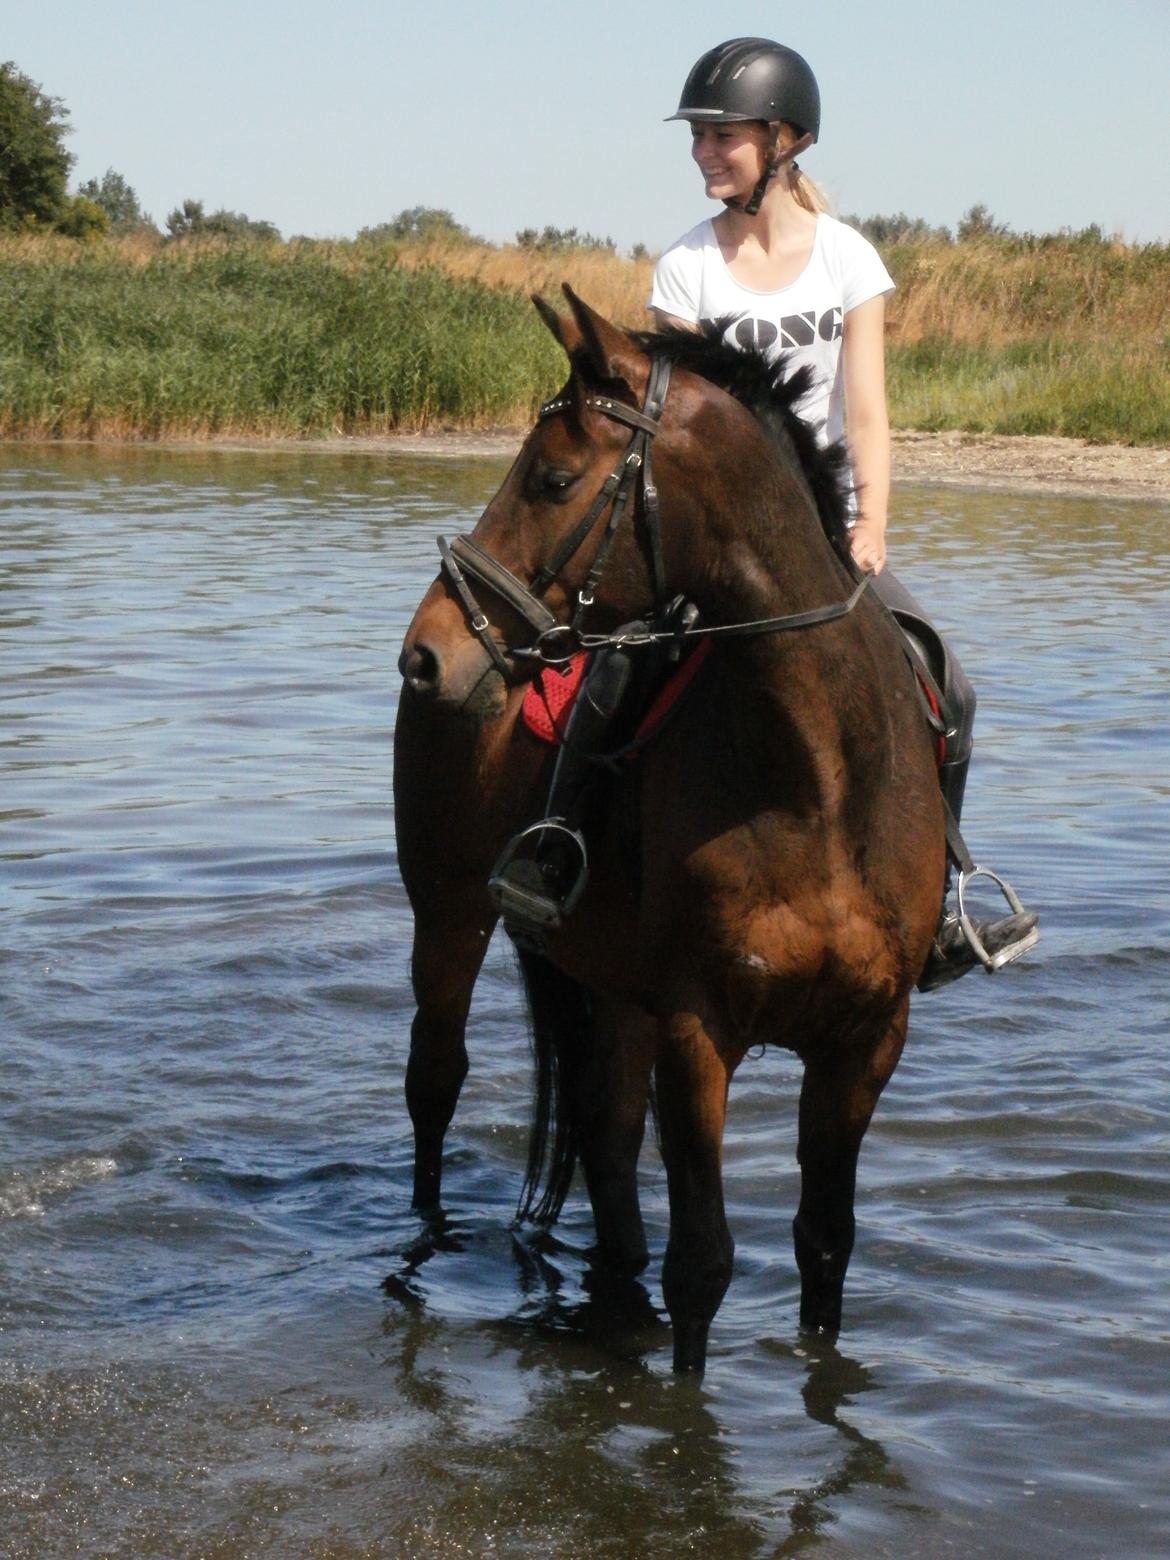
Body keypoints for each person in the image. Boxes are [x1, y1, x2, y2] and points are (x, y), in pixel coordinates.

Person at [494, 38, 1037, 989]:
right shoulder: (687, 269)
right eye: (698, 137)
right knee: (610, 680)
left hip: (825, 534)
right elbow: (682, 430)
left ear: (784, 141)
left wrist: (871, 526)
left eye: (722, 135)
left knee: (947, 684)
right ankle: (559, 846)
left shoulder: (848, 260)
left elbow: (865, 408)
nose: (704, 151)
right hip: (707, 543)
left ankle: (945, 890)